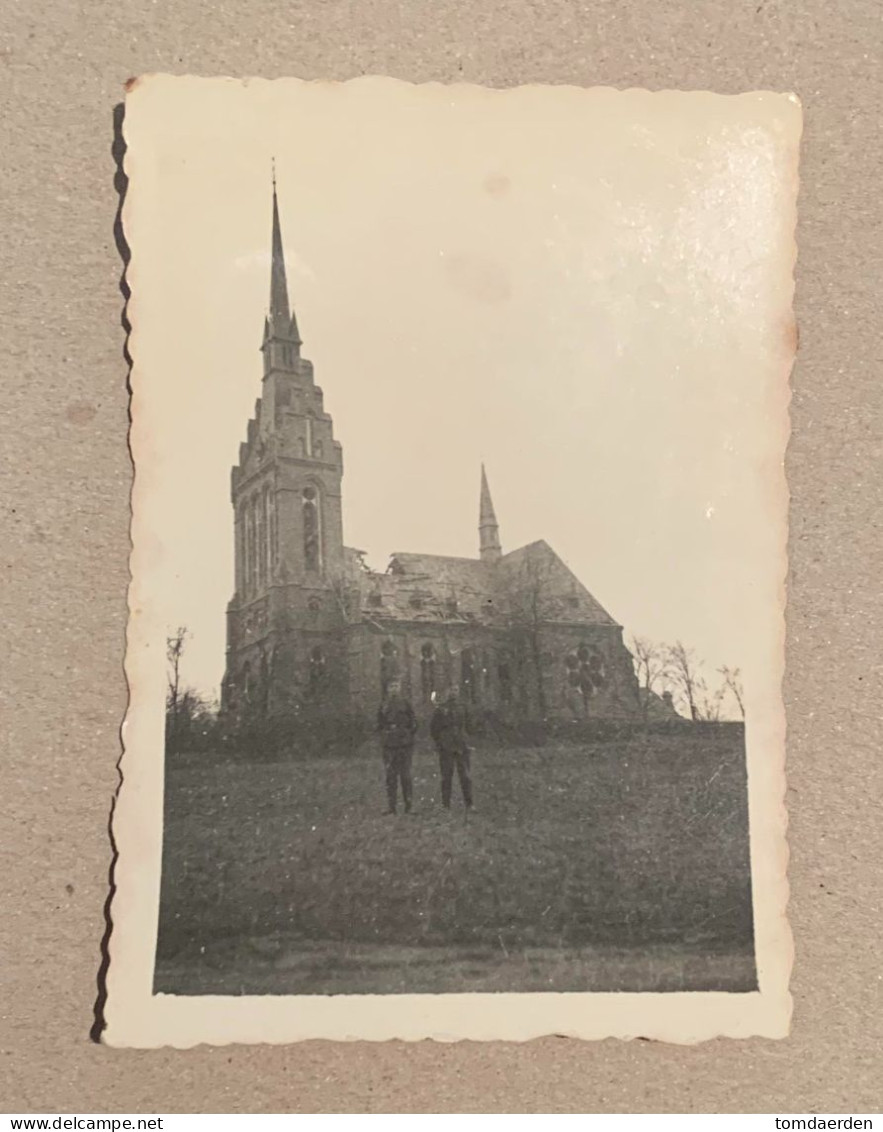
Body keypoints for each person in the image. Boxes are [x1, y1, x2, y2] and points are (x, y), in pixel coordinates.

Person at [376, 679, 417, 815]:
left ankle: (409, 806)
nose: (394, 689)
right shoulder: (384, 704)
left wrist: (406, 734)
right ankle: (391, 807)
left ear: (400, 688)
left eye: (396, 686)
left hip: (404, 745)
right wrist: (385, 735)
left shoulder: (406, 703)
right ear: (388, 689)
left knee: (405, 776)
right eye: (391, 686)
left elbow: (414, 722)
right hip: (389, 746)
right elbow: (379, 724)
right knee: (390, 776)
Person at [429, 685, 474, 811]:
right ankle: (445, 805)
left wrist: (466, 739)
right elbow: (434, 729)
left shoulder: (463, 707)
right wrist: (440, 742)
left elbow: (470, 726)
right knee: (446, 776)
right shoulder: (441, 708)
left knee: (465, 775)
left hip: (461, 744)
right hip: (446, 745)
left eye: (455, 690)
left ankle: (469, 803)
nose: (453, 693)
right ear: (446, 692)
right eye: (450, 690)